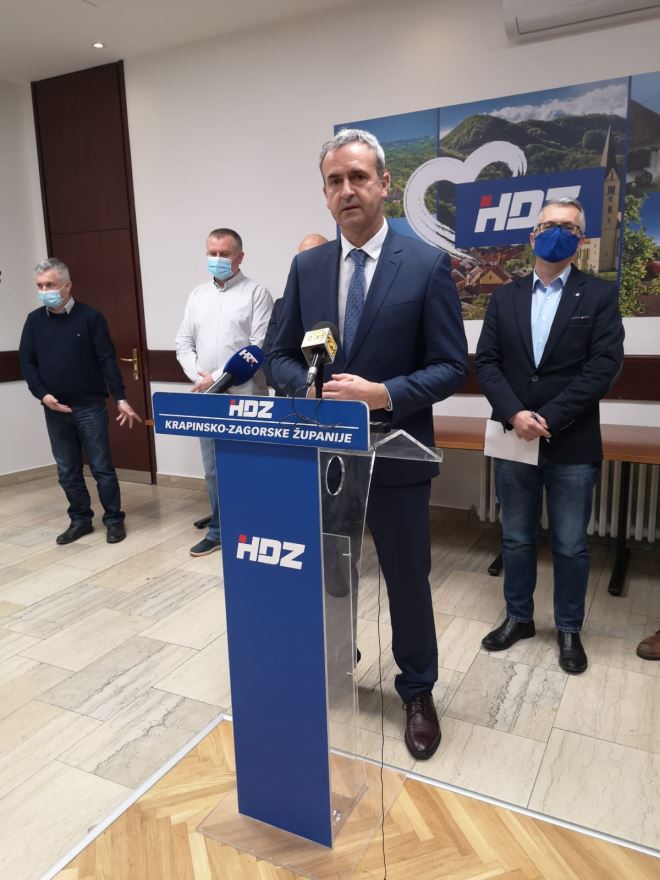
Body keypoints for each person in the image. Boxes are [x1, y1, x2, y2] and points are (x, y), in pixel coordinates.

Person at [267, 129, 468, 760]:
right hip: (326, 458)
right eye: (335, 181)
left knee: (407, 580)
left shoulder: (426, 265)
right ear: (325, 193)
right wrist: (304, 384)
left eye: (358, 177)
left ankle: (417, 690)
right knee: (331, 574)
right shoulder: (307, 268)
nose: (347, 190)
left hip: (398, 455)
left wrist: (384, 394)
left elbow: (452, 366)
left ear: (385, 183)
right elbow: (278, 354)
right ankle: (336, 664)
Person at [476, 198, 625, 675]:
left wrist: (548, 417)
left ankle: (568, 628)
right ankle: (518, 618)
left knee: (571, 544)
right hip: (513, 437)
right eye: (549, 225)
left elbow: (603, 367)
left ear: (580, 239)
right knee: (517, 537)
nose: (557, 232)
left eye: (568, 226)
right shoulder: (505, 297)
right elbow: (487, 363)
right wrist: (515, 413)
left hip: (572, 440)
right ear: (533, 235)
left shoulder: (599, 295)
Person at [19, 257, 142, 545]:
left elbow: (106, 360)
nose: (44, 291)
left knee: (101, 468)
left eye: (50, 285)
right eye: (40, 285)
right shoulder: (34, 321)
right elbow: (27, 362)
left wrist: (121, 398)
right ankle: (80, 520)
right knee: (67, 471)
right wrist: (43, 395)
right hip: (54, 409)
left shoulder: (91, 317)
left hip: (89, 407)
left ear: (67, 286)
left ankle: (114, 519)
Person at [175, 228, 273, 557]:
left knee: (250, 466)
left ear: (240, 257)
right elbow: (183, 342)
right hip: (208, 400)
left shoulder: (256, 293)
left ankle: (255, 528)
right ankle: (219, 530)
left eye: (224, 254)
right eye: (212, 253)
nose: (216, 259)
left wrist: (215, 377)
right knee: (213, 469)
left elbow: (257, 348)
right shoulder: (197, 295)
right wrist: (199, 376)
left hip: (246, 397)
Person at [263, 233, 328, 367]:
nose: (309, 261)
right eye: (303, 256)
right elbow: (270, 357)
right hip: (296, 379)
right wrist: (307, 380)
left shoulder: (344, 301)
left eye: (315, 255)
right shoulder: (282, 306)